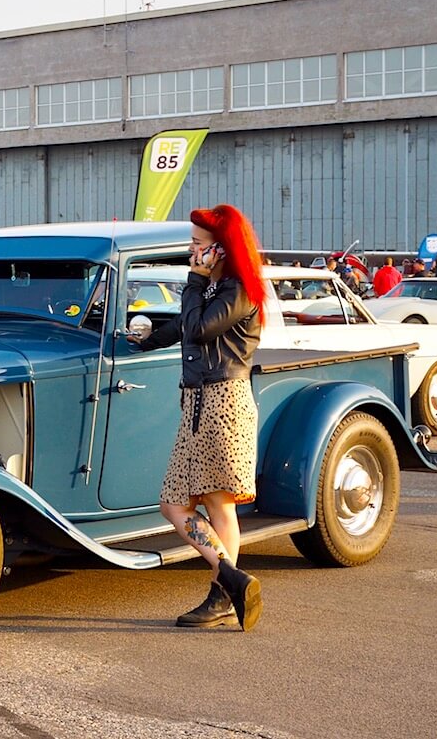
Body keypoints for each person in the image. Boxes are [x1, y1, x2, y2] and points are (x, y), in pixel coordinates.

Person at [129, 204, 265, 631]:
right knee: (174, 502)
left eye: (197, 243)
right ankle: (231, 577)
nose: (191, 250)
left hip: (223, 400)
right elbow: (181, 327)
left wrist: (195, 279)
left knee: (218, 501)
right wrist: (143, 340)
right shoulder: (215, 285)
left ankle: (223, 592)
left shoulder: (238, 289)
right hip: (198, 401)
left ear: (220, 248)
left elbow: (200, 329)